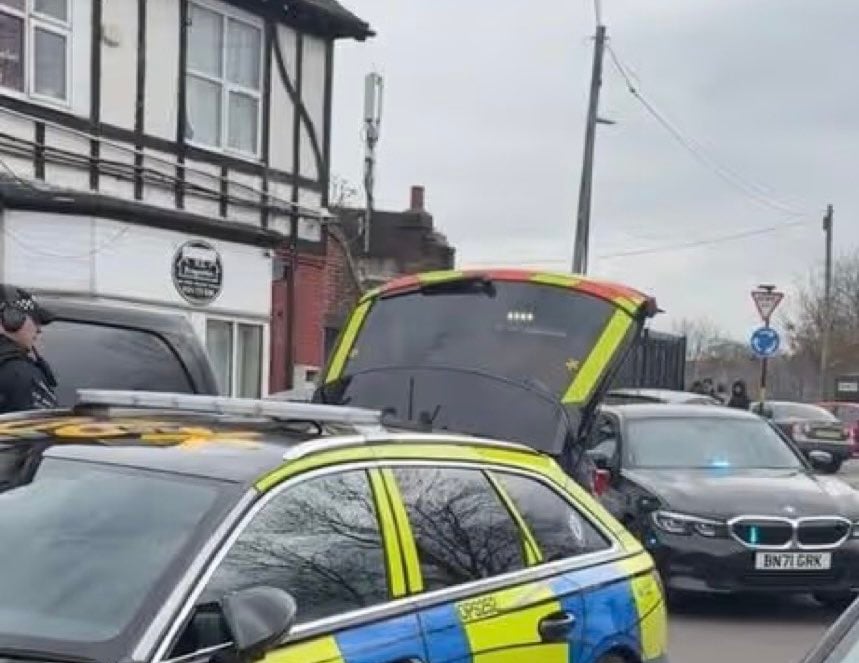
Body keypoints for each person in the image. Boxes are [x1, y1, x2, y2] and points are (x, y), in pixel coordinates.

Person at [0, 285, 57, 413]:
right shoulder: (20, 375)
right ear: (11, 318)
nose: (38, 329)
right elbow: (44, 423)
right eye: (35, 320)